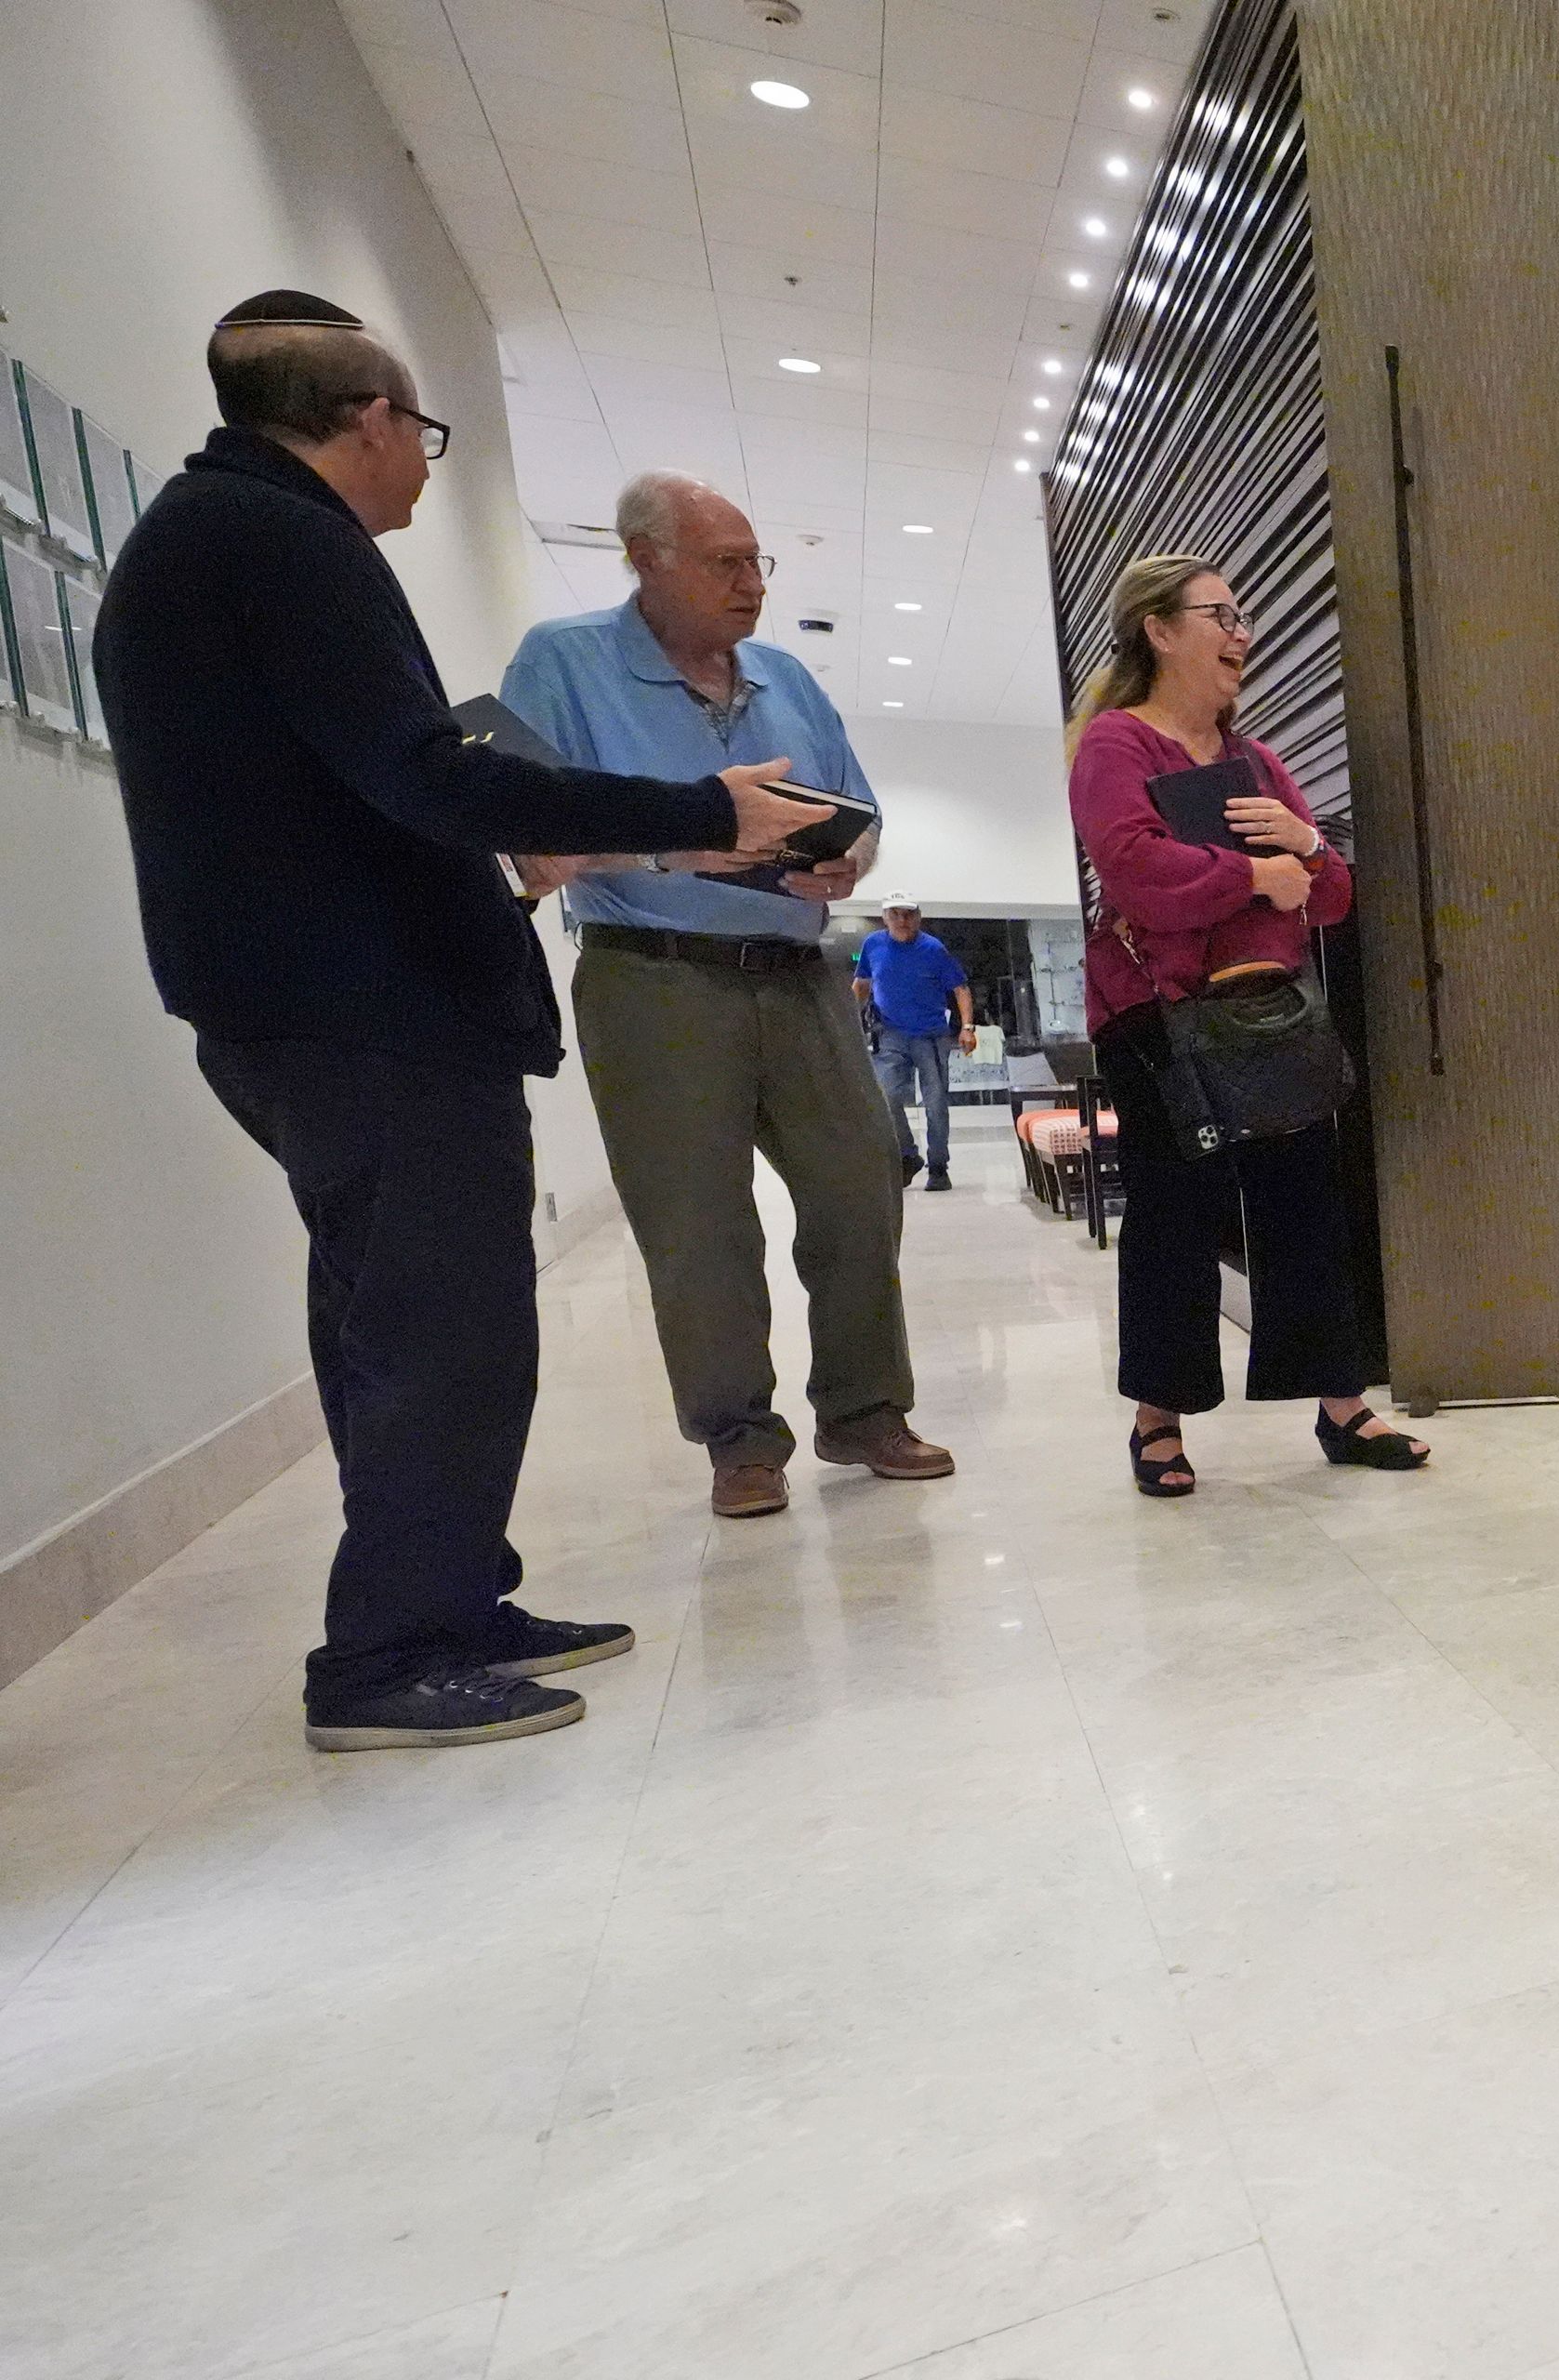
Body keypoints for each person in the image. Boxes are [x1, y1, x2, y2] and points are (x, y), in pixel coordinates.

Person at [89, 291, 832, 1751]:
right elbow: (429, 771)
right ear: (366, 419)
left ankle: (443, 1601)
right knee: (443, 1331)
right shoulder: (277, 540)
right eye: (419, 433)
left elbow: (368, 786)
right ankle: (387, 1655)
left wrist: (557, 841)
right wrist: (699, 813)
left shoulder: (221, 538)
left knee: (396, 1320)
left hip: (315, 1001)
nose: (423, 464)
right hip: (363, 1009)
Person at [501, 472, 957, 1521]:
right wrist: (682, 839)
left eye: (759, 562)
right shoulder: (562, 662)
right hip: (653, 974)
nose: (752, 583)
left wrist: (850, 863)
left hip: (801, 975)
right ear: (645, 558)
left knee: (860, 1186)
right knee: (697, 1226)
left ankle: (864, 1409)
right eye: (726, 562)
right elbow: (523, 832)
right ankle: (740, 1438)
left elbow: (862, 812)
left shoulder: (787, 675)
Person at [1066, 553, 1430, 1492]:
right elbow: (1135, 872)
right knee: (1174, 1212)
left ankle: (1341, 1405)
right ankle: (1158, 1418)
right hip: (1159, 1016)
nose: (1243, 631)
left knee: (1305, 1202)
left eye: (1243, 613)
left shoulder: (1255, 760)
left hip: (1269, 1012)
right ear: (1158, 628)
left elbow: (1333, 894)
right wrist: (1254, 876)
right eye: (1220, 613)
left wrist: (1305, 845)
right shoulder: (1116, 743)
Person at [855, 894, 971, 1189]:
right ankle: (907, 1155)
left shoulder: (933, 949)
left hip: (930, 1036)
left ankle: (938, 1166)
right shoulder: (873, 945)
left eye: (908, 914)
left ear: (918, 917)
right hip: (890, 1035)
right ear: (884, 918)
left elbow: (960, 989)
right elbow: (862, 986)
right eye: (895, 914)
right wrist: (846, 1021)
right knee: (887, 1097)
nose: (902, 921)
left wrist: (967, 1027)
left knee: (935, 1104)